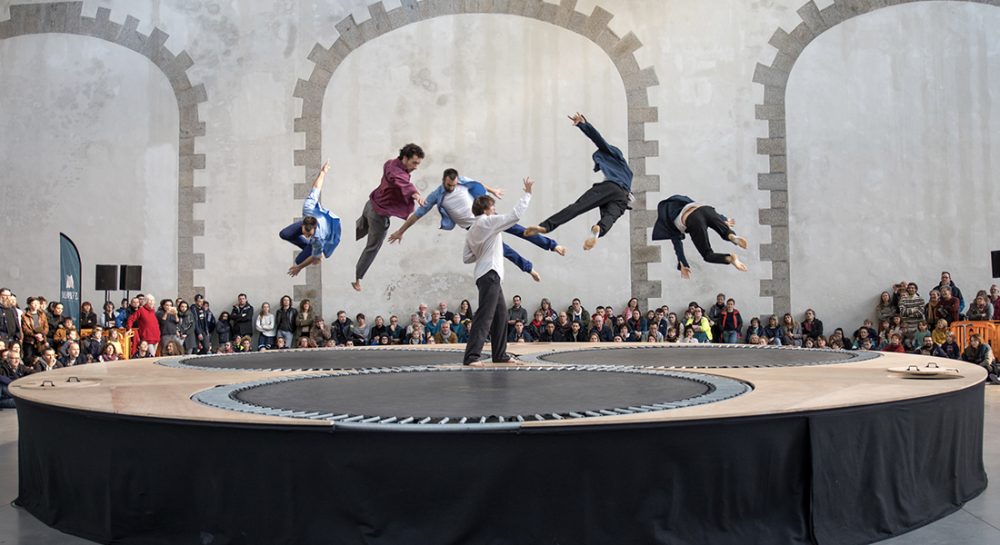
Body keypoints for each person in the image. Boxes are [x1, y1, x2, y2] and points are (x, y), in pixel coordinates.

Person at [389, 168, 566, 282]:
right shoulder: (437, 195)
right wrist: (401, 230)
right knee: (504, 250)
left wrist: (492, 190)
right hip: (476, 230)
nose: (453, 187)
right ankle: (529, 269)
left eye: (455, 183)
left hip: (489, 218)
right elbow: (418, 214)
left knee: (522, 230)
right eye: (449, 185)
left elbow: (478, 183)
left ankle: (553, 245)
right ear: (444, 181)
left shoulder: (462, 180)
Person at [523, 113, 631, 251]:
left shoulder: (615, 156)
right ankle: (598, 231)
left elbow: (599, 140)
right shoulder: (627, 173)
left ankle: (546, 226)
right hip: (623, 196)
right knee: (610, 217)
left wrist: (583, 125)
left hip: (610, 187)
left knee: (578, 207)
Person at [462, 177, 534, 365]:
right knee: (485, 315)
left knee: (501, 314)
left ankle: (500, 354)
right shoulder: (488, 222)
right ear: (486, 210)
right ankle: (471, 356)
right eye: (492, 207)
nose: (495, 209)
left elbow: (467, 258)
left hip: (484, 274)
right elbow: (514, 216)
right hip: (491, 274)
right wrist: (527, 193)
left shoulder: (471, 230)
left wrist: (483, 249)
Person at [353, 144, 426, 291]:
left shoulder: (390, 163)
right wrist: (416, 195)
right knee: (372, 247)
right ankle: (357, 279)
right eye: (414, 163)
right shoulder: (397, 172)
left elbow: (400, 180)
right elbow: (403, 183)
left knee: (359, 229)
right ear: (405, 158)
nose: (416, 167)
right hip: (378, 216)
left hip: (370, 205)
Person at [651, 194, 749, 278]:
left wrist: (683, 264)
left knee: (707, 255)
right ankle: (732, 237)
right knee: (724, 231)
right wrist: (724, 219)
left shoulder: (670, 224)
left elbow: (678, 246)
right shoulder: (687, 204)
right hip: (706, 209)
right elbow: (715, 214)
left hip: (693, 220)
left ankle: (729, 258)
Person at [280, 160, 342, 278]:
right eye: (304, 233)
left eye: (308, 235)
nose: (306, 236)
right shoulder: (308, 208)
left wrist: (299, 267)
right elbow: (316, 188)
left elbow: (314, 258)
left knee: (300, 260)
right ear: (303, 222)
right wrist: (323, 172)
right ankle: (314, 250)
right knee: (284, 234)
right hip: (316, 224)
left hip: (332, 231)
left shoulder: (318, 237)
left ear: (314, 228)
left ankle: (318, 251)